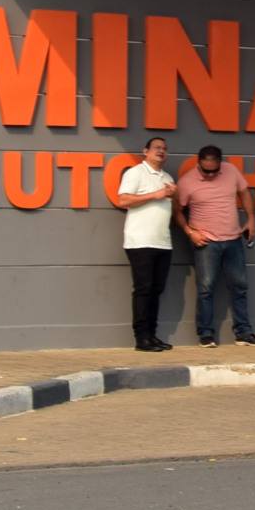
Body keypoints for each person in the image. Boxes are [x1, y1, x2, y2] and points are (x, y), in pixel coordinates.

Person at [174, 144, 255, 347]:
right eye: (206, 170)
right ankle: (206, 334)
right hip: (206, 241)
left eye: (215, 170)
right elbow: (177, 211)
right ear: (199, 164)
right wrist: (190, 233)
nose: (211, 174)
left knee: (239, 286)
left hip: (233, 238)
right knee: (206, 288)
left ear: (220, 164)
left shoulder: (231, 171)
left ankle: (244, 333)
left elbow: (245, 192)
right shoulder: (187, 181)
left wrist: (251, 219)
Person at [115, 135, 178, 352]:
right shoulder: (136, 173)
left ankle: (152, 335)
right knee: (143, 290)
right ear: (146, 151)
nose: (161, 151)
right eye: (157, 148)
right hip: (140, 241)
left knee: (156, 290)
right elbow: (123, 200)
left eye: (165, 148)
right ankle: (141, 338)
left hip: (163, 243)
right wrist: (156, 194)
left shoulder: (167, 177)